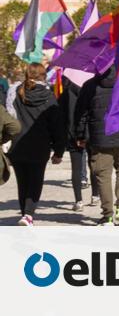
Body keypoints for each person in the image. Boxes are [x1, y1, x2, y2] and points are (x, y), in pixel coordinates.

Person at [7, 63, 64, 225]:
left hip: (18, 144)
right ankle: (28, 214)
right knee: (35, 180)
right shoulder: (49, 96)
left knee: (22, 182)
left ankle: (25, 214)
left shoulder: (16, 93)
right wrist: (59, 150)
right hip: (40, 146)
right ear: (43, 76)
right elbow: (57, 126)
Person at [79, 66, 119, 225]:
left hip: (100, 138)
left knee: (103, 176)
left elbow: (81, 113)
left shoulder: (90, 86)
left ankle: (108, 215)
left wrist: (80, 135)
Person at [59, 76, 98, 211]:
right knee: (93, 164)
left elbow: (61, 117)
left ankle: (78, 200)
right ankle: (95, 195)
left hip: (72, 134)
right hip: (90, 133)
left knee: (76, 168)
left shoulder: (66, 94)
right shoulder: (91, 89)